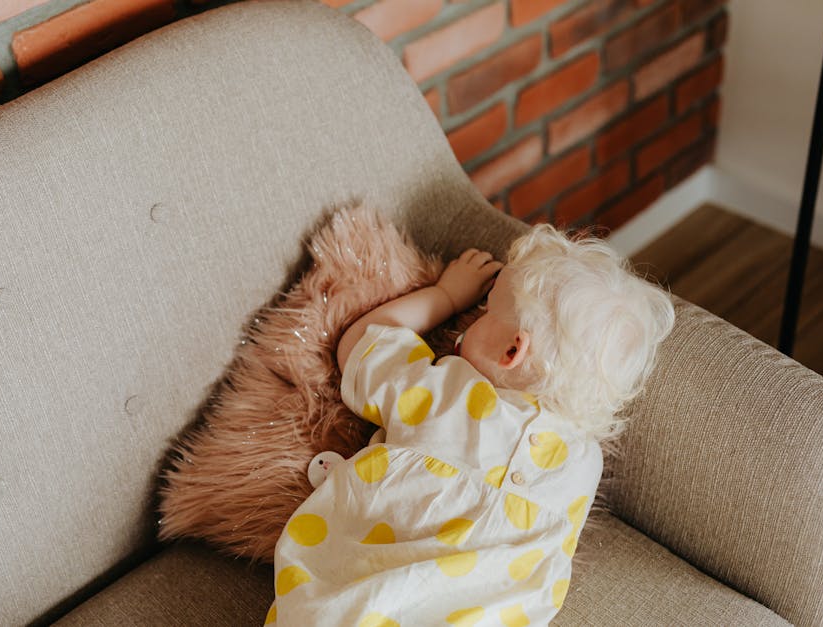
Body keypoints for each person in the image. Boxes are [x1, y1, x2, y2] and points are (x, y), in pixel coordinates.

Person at [266, 224, 675, 626]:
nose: (472, 316)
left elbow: (363, 343)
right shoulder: (583, 463)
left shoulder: (448, 396)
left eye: (487, 309)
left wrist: (444, 296)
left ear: (513, 350)